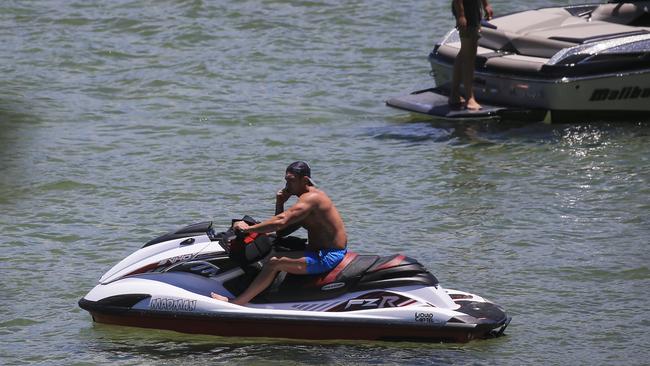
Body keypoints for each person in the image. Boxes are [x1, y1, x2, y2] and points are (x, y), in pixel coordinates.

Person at [211, 161, 348, 305]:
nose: (287, 185)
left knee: (273, 263)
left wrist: (248, 229)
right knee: (278, 248)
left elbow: (281, 221)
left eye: (292, 180)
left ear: (305, 180)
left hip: (327, 256)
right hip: (317, 251)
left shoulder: (311, 199)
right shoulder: (306, 202)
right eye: (286, 180)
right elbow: (282, 231)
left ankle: (239, 302)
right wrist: (280, 202)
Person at [449, 0, 494, 111]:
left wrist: (485, 4)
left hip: (473, 8)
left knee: (465, 52)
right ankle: (470, 98)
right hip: (466, 9)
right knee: (469, 55)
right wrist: (461, 15)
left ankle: (454, 95)